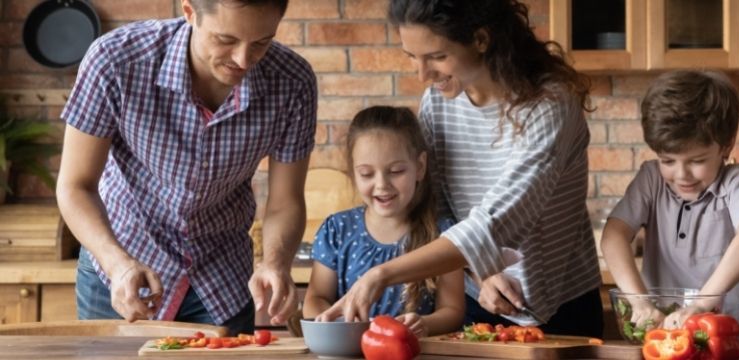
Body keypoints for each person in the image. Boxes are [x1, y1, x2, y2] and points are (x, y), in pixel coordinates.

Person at [319, 0, 604, 338]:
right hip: (479, 301)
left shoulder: (548, 104)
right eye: (412, 57)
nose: (423, 75)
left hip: (562, 305)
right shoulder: (438, 103)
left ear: (481, 40)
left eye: (437, 57)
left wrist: (380, 274)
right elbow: (439, 208)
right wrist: (482, 275)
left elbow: (497, 222)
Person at [56, 0, 316, 335]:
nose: (243, 60)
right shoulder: (116, 59)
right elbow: (75, 185)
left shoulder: (293, 82)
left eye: (261, 43)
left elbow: (286, 201)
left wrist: (276, 263)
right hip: (121, 266)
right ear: (189, 11)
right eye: (225, 40)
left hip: (221, 279)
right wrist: (117, 264)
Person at [601, 70, 739, 343]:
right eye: (668, 160)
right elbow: (614, 235)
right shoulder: (651, 179)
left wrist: (702, 304)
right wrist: (640, 302)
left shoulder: (736, 182)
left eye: (697, 160)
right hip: (667, 341)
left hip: (738, 341)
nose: (681, 175)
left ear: (726, 146)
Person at [302, 106, 464, 337]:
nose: (382, 185)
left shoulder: (444, 233)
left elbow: (453, 310)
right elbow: (316, 298)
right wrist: (339, 322)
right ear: (354, 173)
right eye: (367, 174)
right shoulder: (337, 229)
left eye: (396, 171)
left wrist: (425, 323)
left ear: (419, 167)